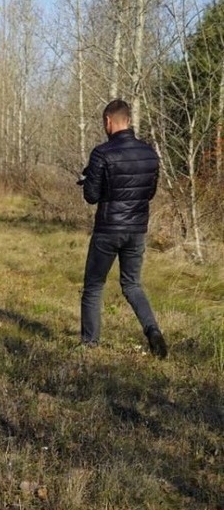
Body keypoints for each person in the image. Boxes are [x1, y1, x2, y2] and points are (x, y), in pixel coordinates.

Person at [79, 99, 166, 357]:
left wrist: (87, 181)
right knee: (132, 285)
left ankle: (90, 344)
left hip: (108, 229)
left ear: (108, 121)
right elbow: (149, 193)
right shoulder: (150, 153)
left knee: (94, 286)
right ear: (128, 120)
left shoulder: (102, 153)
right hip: (137, 230)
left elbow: (92, 196)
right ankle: (153, 331)